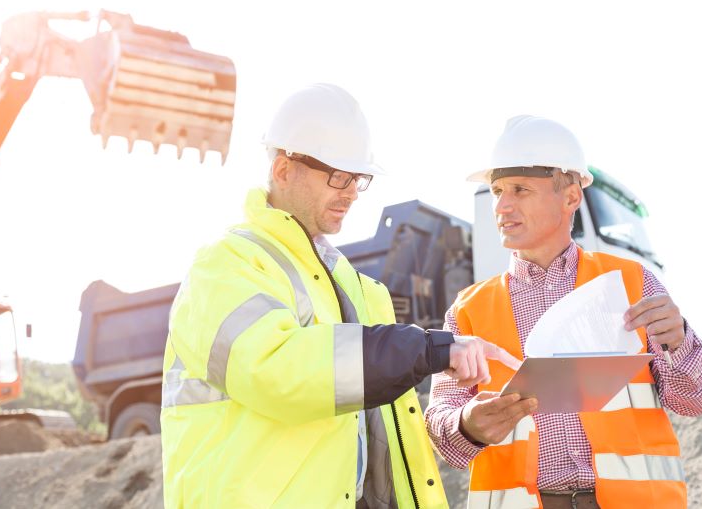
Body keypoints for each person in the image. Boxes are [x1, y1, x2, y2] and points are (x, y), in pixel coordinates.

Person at [160, 83, 516, 508]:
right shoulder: (226, 264)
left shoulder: (356, 287)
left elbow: (380, 431)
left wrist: (465, 423)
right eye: (338, 176)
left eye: (357, 179)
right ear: (284, 170)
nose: (350, 192)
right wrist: (428, 349)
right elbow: (277, 372)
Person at [424, 115, 702, 509]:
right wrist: (466, 425)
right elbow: (441, 427)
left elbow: (695, 401)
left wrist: (679, 342)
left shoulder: (631, 283)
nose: (502, 206)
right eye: (496, 191)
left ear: (570, 198)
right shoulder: (468, 310)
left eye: (520, 189)